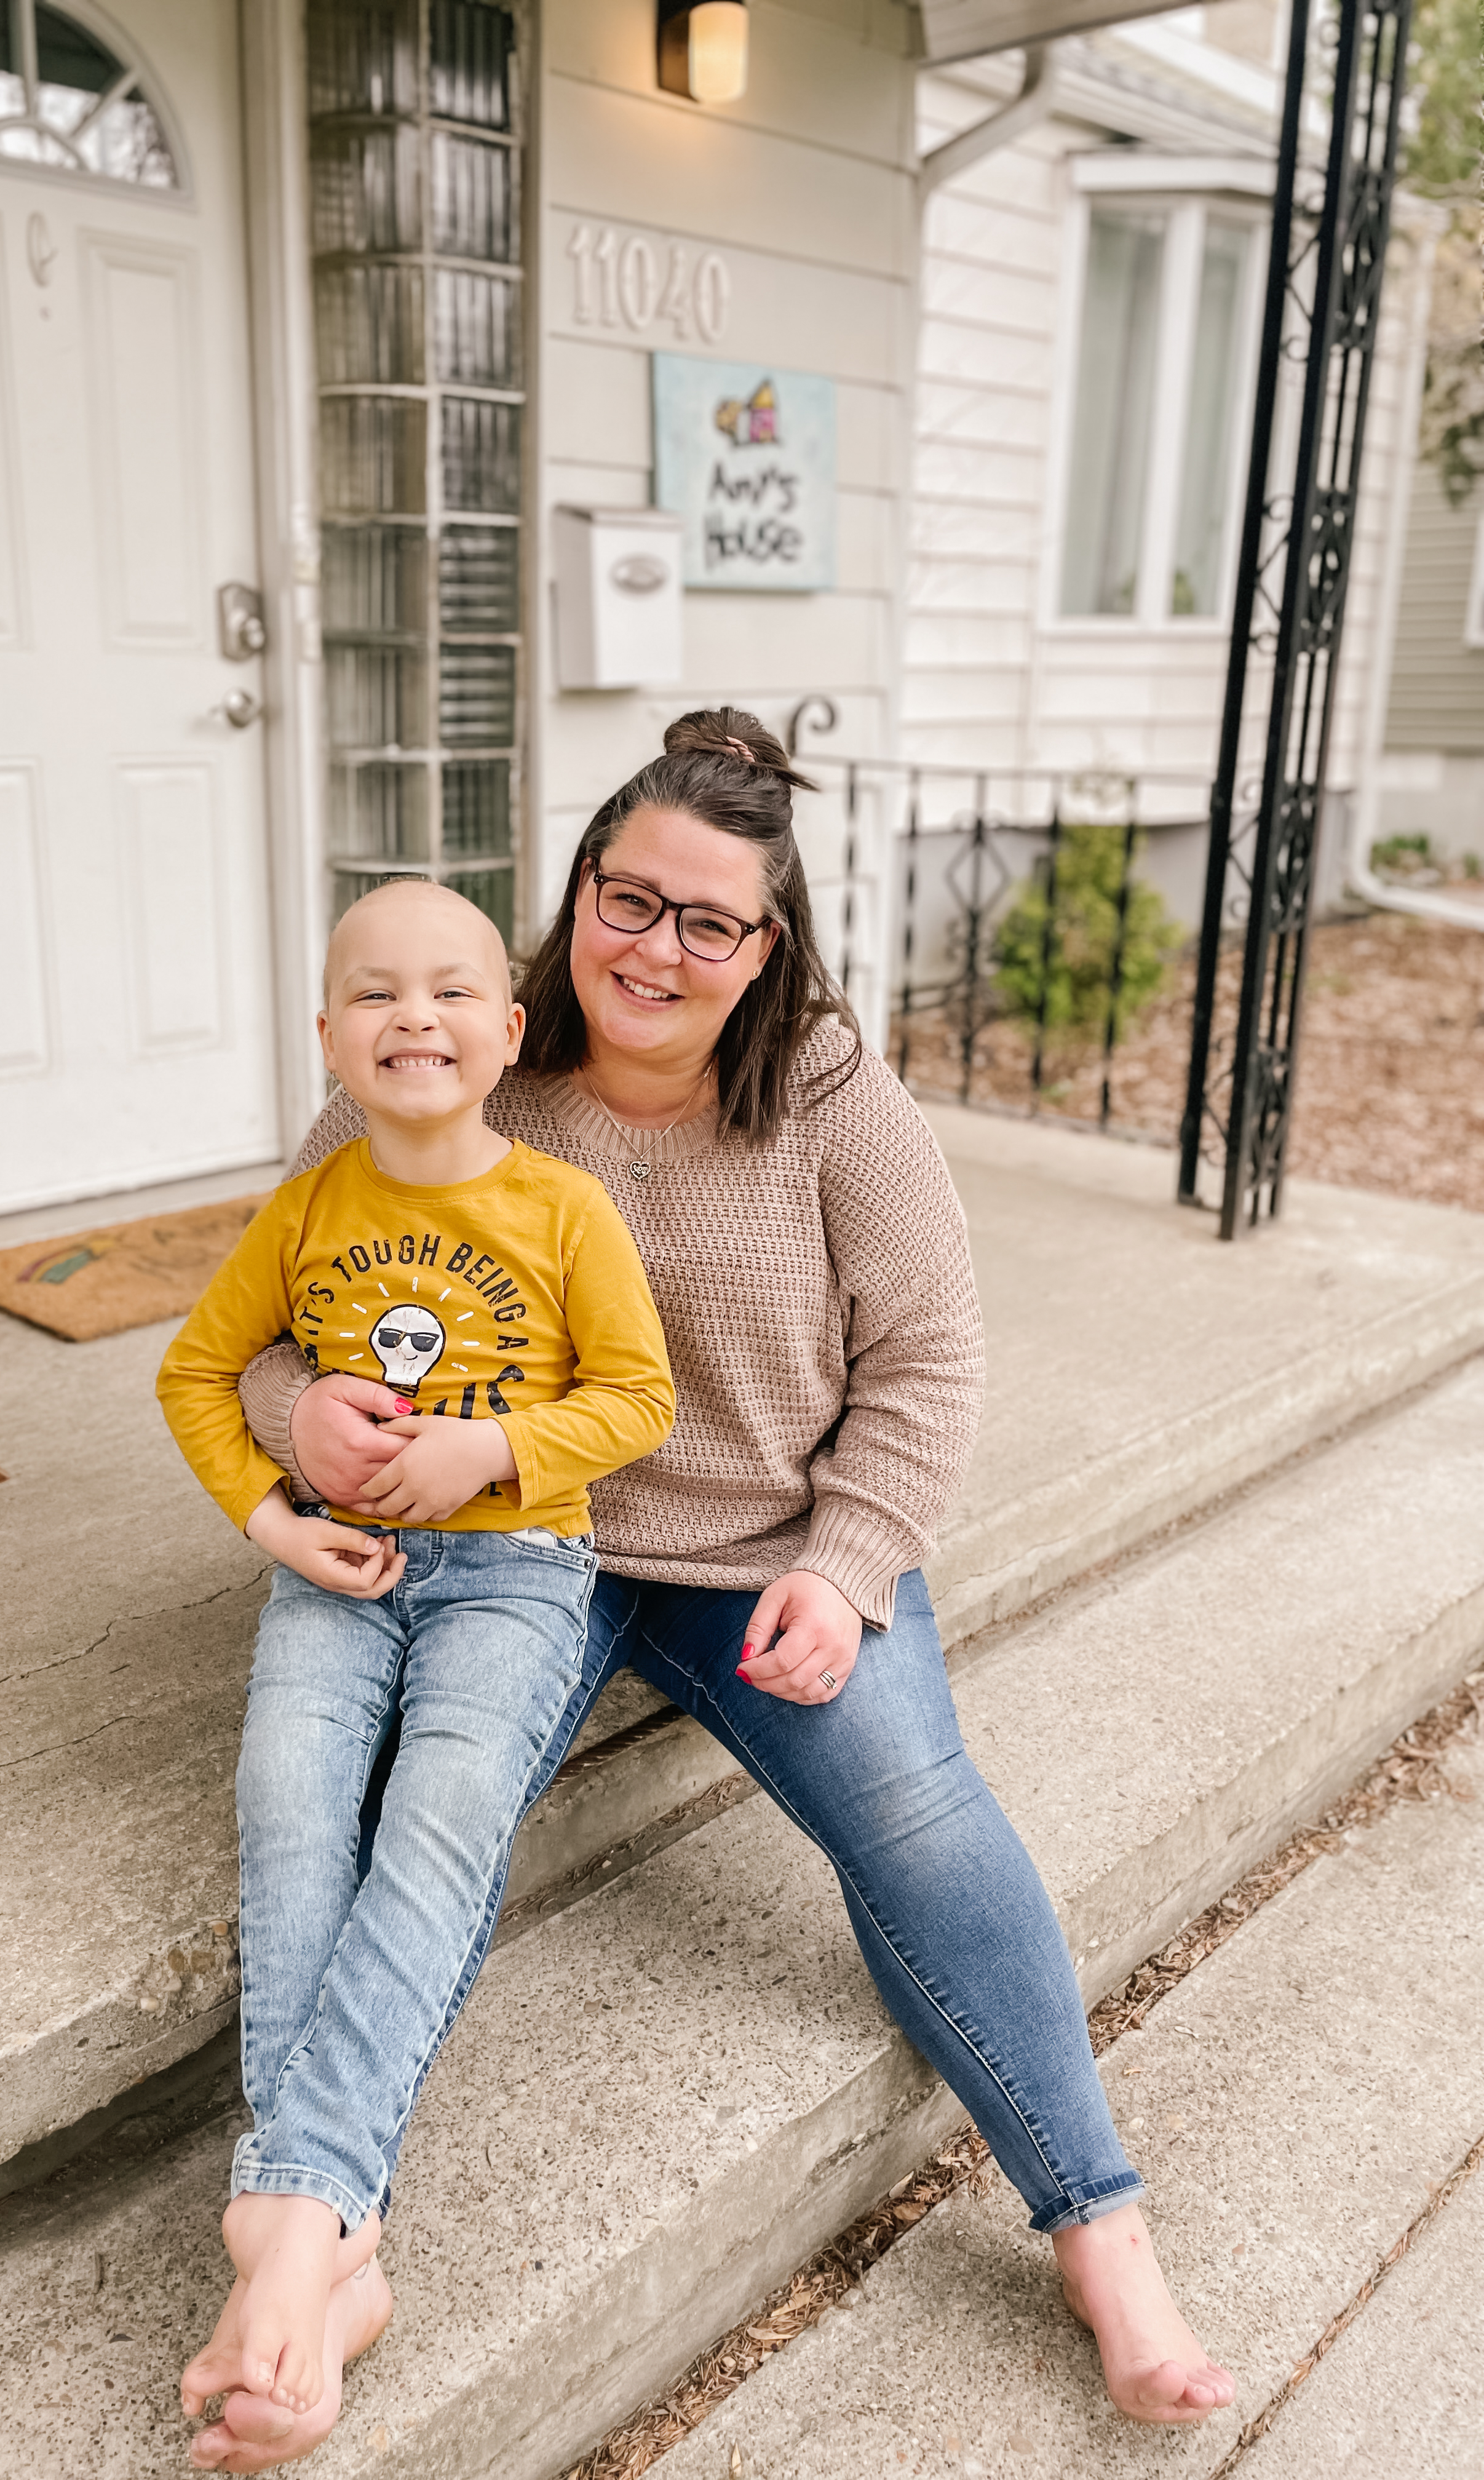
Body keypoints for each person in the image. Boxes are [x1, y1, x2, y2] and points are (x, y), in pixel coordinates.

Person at [186, 707, 1237, 2475]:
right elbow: (275, 1323)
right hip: (498, 1541)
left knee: (914, 1805)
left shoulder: (829, 1092)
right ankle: (317, 2244)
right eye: (627, 900)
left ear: (770, 948)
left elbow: (929, 1361)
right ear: (576, 896)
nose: (657, 950)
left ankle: (1100, 2234)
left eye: (709, 922)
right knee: (377, 1817)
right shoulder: (459, 1047)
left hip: (756, 1552)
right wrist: (315, 1421)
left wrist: (850, 1565)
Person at [156, 879, 675, 2452]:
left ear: (511, 1036)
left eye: (453, 990)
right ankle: (330, 2243)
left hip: (520, 1572)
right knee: (291, 1801)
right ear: (329, 1038)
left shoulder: (566, 1209)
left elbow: (640, 1399)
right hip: (344, 1563)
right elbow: (195, 1369)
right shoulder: (307, 1210)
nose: (414, 1018)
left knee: (441, 1819)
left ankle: (288, 2230)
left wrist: (497, 1449)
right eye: (374, 994)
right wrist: (271, 1524)